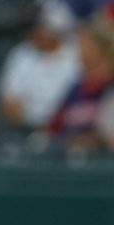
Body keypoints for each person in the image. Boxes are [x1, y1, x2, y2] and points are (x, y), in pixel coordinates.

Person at [0, 2, 80, 129]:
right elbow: (8, 106)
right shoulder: (22, 54)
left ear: (54, 31)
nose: (32, 32)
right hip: (27, 128)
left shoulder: (77, 55)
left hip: (67, 128)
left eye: (39, 27)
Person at [44, 14, 114, 152]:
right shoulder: (76, 88)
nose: (79, 49)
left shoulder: (110, 85)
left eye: (84, 43)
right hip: (70, 159)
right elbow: (53, 127)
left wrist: (96, 139)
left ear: (100, 46)